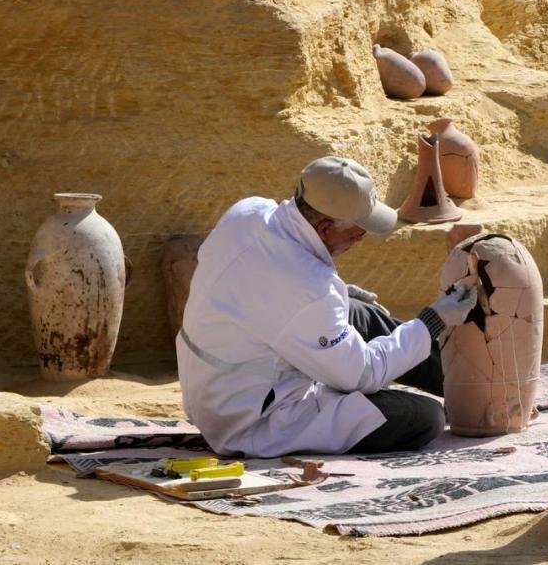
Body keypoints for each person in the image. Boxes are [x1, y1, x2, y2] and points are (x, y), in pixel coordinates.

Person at [175, 156, 477, 457]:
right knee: (424, 417)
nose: (360, 239)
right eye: (357, 233)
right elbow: (363, 374)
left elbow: (260, 288)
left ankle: (476, 386)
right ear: (323, 228)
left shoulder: (249, 211)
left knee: (360, 313)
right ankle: (473, 399)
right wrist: (433, 321)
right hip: (249, 418)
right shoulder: (309, 287)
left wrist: (340, 296)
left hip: (213, 385)